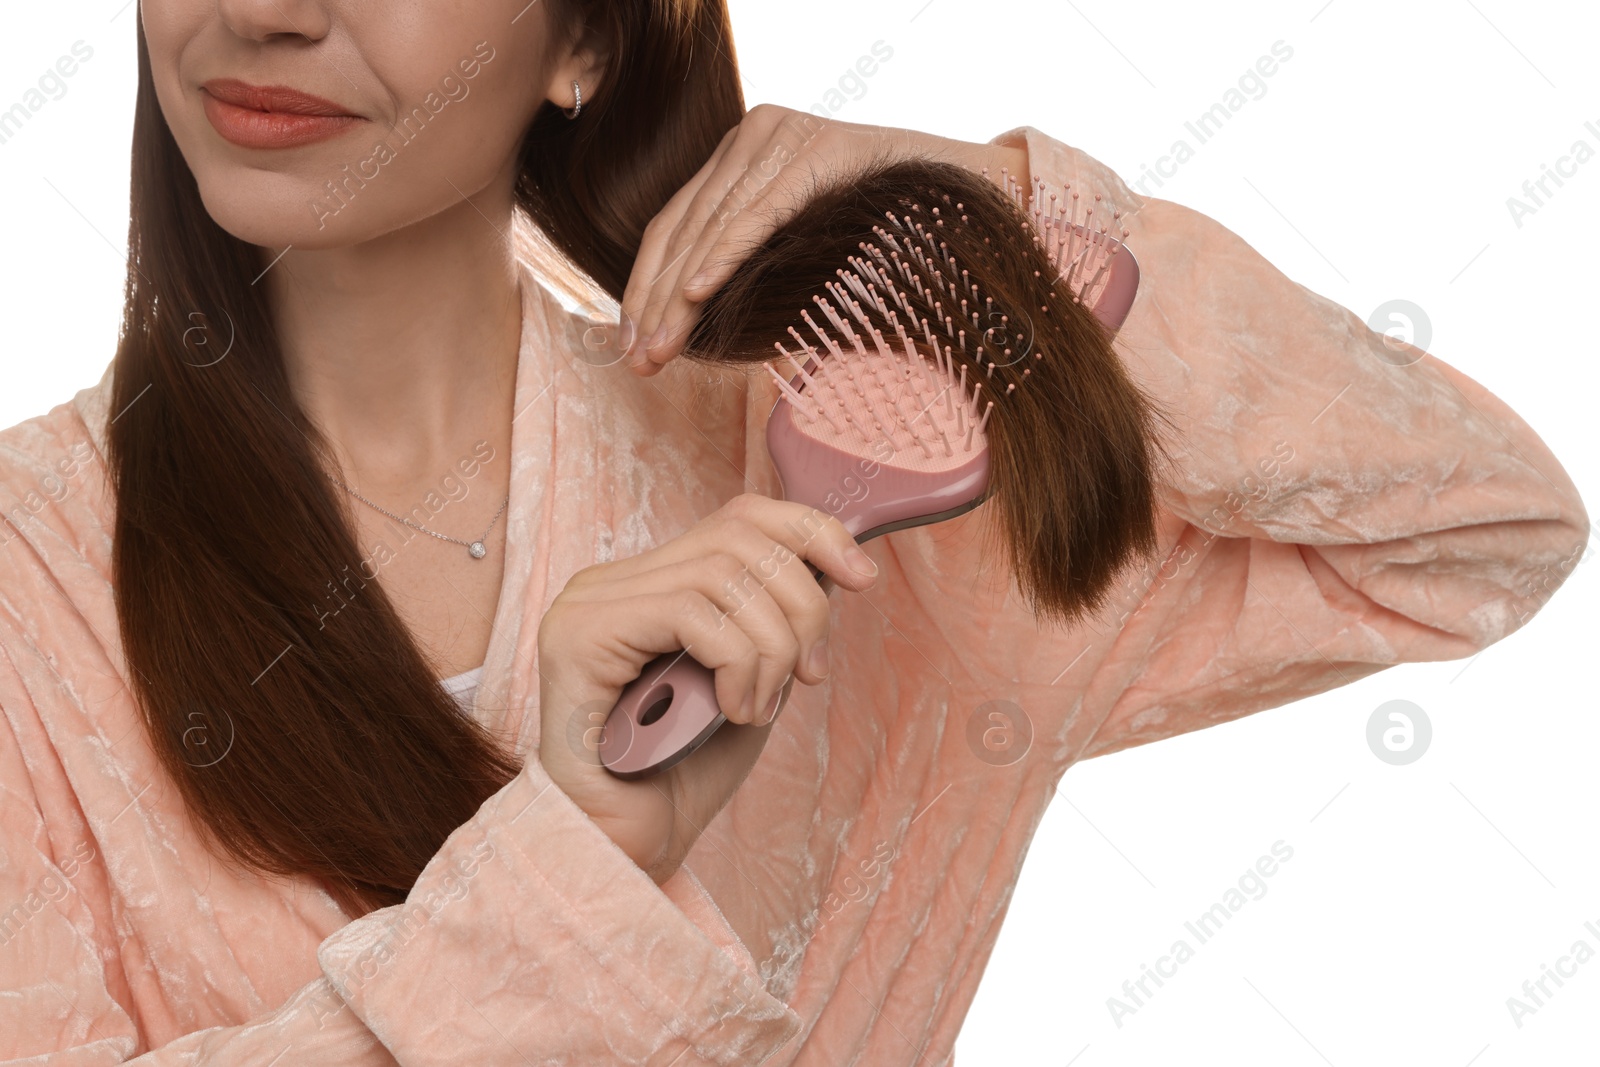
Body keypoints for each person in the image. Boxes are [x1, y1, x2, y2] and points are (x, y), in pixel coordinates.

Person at [0, 0, 1587, 1063]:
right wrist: (576, 866)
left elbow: (1477, 528)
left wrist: (989, 210)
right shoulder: (26, 591)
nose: (265, 5)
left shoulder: (869, 463)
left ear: (592, 42)